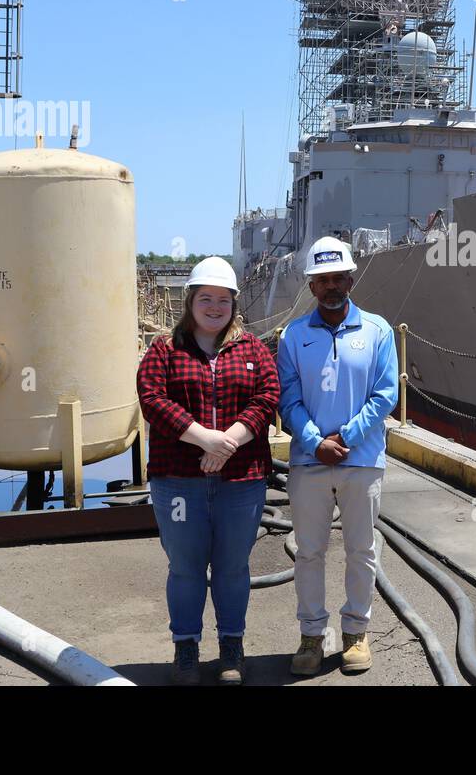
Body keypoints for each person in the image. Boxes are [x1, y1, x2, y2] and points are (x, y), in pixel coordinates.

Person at [136, 255, 279, 685]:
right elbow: (153, 399)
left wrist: (228, 441)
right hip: (179, 481)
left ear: (234, 303)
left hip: (241, 481)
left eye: (223, 300)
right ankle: (186, 649)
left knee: (233, 567)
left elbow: (268, 396)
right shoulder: (165, 349)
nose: (215, 307)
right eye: (206, 299)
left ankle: (231, 647)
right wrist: (205, 439)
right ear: (190, 301)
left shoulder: (252, 348)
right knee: (185, 567)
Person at [277, 236, 398, 675]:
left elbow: (385, 394)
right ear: (312, 285)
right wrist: (315, 442)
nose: (331, 286)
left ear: (351, 279)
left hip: (361, 461)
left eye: (338, 277)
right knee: (309, 552)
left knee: (361, 549)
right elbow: (288, 399)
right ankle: (311, 636)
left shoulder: (379, 331)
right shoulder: (292, 336)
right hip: (310, 464)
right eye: (322, 279)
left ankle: (355, 634)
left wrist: (344, 438)